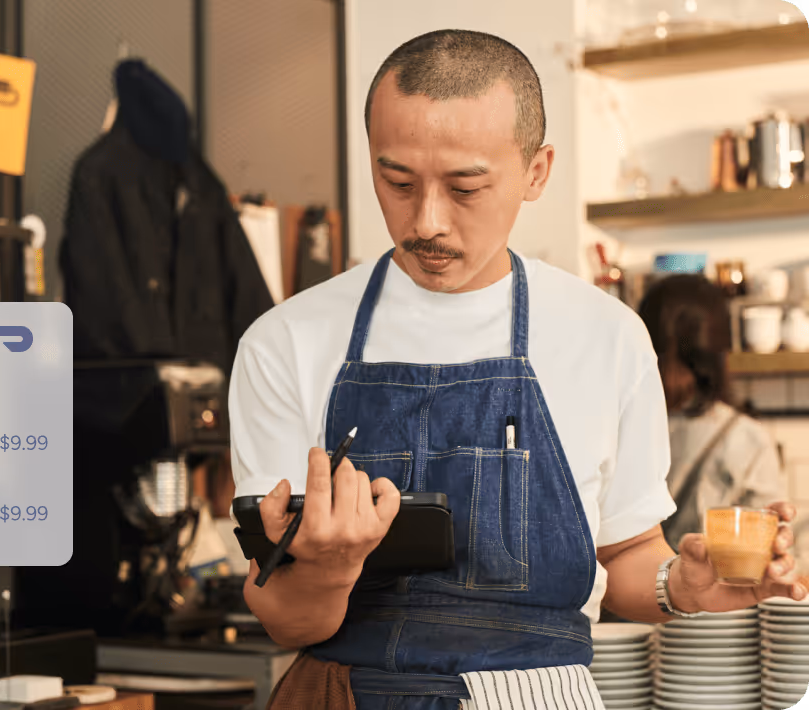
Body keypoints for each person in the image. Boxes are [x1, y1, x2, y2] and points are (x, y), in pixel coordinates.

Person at [227, 29, 804, 709]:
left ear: (537, 171)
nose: (427, 221)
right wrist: (329, 569)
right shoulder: (285, 341)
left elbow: (624, 557)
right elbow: (284, 615)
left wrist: (679, 586)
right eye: (398, 182)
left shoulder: (608, 336)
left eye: (465, 187)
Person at [638, 274, 786, 552]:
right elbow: (765, 553)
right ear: (718, 346)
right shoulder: (745, 438)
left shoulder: (617, 424)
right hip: (701, 591)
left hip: (622, 592)